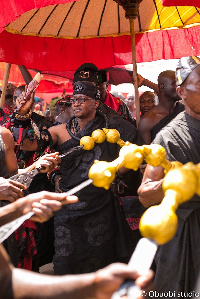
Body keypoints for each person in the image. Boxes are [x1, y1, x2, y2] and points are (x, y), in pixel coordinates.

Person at [138, 56, 200, 294]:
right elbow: (144, 195)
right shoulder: (167, 137)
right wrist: (172, 183)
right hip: (184, 235)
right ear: (182, 91)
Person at [138, 70, 185, 144]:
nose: (180, 87)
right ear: (162, 87)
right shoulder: (147, 121)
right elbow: (147, 153)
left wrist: (145, 81)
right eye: (175, 84)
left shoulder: (185, 111)